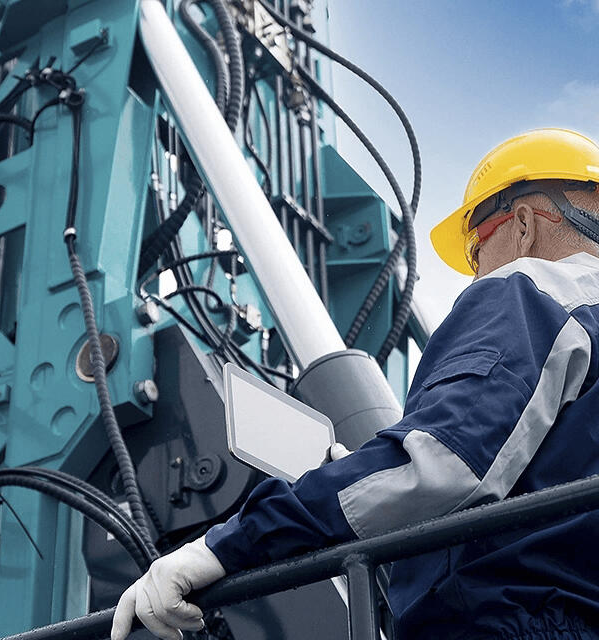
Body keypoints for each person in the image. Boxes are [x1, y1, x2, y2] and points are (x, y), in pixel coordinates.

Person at [111, 128, 599, 640]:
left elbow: (442, 463)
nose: (476, 276)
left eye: (477, 250)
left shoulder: (533, 292)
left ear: (522, 225)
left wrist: (227, 544)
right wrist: (369, 489)